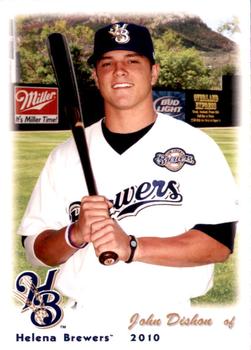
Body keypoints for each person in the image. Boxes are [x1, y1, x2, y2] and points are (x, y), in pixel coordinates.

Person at [18, 22, 238, 326]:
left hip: (168, 318)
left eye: (133, 60)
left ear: (154, 72)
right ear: (96, 76)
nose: (119, 70)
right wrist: (75, 234)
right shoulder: (64, 156)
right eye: (107, 63)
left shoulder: (197, 147)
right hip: (86, 318)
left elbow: (219, 243)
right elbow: (36, 252)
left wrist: (132, 246)